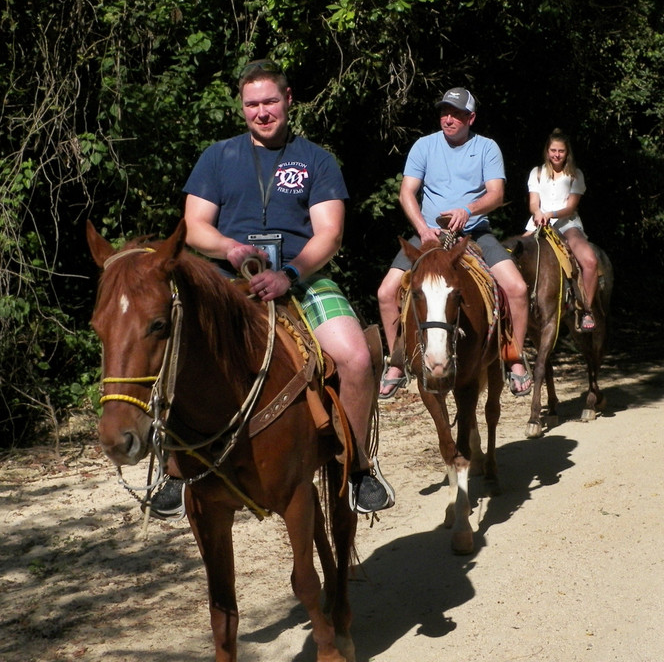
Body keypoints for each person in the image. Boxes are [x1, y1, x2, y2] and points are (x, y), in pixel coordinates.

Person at [155, 59, 394, 517]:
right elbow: (194, 225)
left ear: (288, 100)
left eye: (269, 102)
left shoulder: (317, 160)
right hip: (228, 279)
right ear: (241, 108)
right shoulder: (217, 156)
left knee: (357, 357)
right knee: (169, 347)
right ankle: (174, 469)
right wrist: (230, 248)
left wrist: (291, 273)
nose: (261, 112)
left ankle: (359, 466)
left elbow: (329, 234)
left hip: (301, 276)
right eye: (252, 104)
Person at [376, 87, 531, 398]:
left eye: (457, 114)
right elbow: (407, 193)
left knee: (517, 288)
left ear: (470, 118)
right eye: (445, 112)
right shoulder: (424, 146)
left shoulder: (486, 148)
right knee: (386, 292)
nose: (448, 119)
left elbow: (497, 194)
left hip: (474, 233)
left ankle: (513, 355)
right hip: (428, 236)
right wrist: (422, 229)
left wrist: (467, 210)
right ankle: (398, 358)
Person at [522, 129, 599, 331]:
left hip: (567, 224)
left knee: (590, 260)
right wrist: (538, 213)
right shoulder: (537, 173)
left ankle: (586, 310)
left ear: (567, 153)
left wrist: (551, 214)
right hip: (539, 222)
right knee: (513, 255)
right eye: (553, 150)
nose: (557, 155)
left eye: (561, 151)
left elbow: (571, 207)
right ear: (547, 152)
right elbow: (533, 203)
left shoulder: (576, 175)